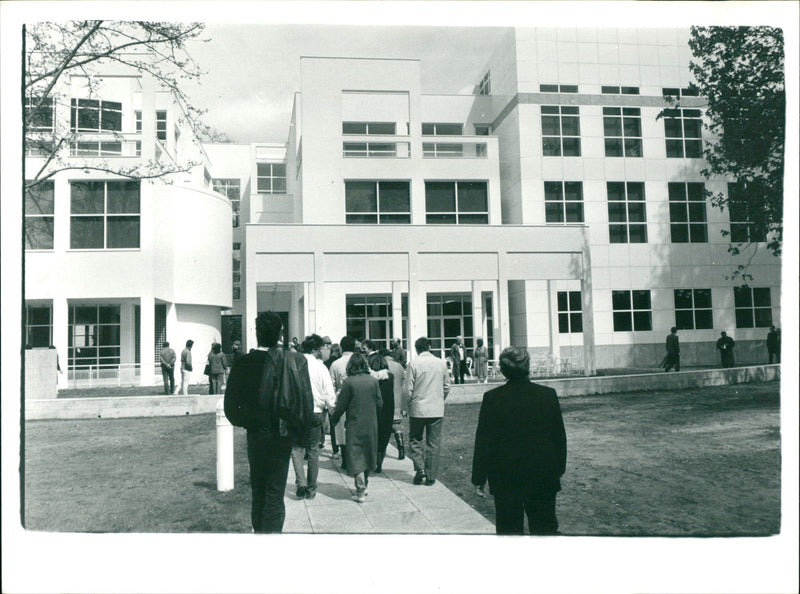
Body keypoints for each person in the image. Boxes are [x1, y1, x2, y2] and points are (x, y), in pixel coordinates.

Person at [224, 311, 313, 533]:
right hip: (281, 436)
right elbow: (304, 401)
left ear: (256, 332)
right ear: (280, 333)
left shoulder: (243, 363)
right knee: (275, 493)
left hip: (256, 435)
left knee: (259, 492)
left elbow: (230, 410)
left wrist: (251, 421)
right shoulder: (292, 361)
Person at [471, 346, 567, 535]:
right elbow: (559, 437)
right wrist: (559, 469)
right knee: (544, 530)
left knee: (509, 531)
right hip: (542, 476)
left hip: (506, 478)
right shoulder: (547, 396)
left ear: (503, 370)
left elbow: (484, 441)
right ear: (528, 367)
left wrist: (479, 477)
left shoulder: (493, 398)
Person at [331, 353, 382, 503]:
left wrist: (334, 419)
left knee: (356, 455)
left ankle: (360, 490)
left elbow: (341, 406)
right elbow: (380, 403)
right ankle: (364, 486)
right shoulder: (373, 381)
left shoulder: (349, 382)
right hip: (371, 423)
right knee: (367, 453)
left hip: (354, 423)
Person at [291, 334, 336, 500]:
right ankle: (311, 488)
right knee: (313, 451)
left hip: (297, 412)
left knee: (296, 449)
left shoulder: (294, 363)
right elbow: (328, 393)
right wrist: (332, 410)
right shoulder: (320, 367)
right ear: (317, 349)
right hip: (316, 411)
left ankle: (300, 481)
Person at [404, 336, 451, 486]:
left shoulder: (413, 363)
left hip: (418, 408)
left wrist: (407, 405)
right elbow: (447, 386)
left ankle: (420, 469)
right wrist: (439, 398)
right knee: (433, 443)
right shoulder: (440, 363)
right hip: (436, 408)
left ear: (417, 349)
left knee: (415, 440)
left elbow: (408, 389)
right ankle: (431, 475)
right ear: (429, 347)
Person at [330, 336, 356, 470]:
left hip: (341, 398)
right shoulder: (360, 361)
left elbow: (332, 385)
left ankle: (345, 458)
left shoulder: (336, 364)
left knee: (341, 429)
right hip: (358, 398)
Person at [368, 351, 394, 473]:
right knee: (384, 436)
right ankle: (380, 462)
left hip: (373, 409)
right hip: (388, 410)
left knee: (373, 436)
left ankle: (373, 460)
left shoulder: (370, 379)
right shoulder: (390, 377)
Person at [383, 348, 407, 460]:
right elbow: (403, 382)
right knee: (397, 425)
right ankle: (401, 449)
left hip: (386, 397)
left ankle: (381, 452)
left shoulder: (382, 365)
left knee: (384, 427)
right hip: (397, 396)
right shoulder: (399, 366)